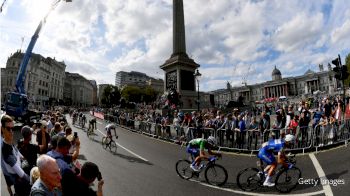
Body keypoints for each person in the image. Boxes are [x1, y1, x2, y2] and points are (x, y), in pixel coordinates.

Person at [1, 115, 31, 196]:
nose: (11, 131)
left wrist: (22, 158)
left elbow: (18, 153)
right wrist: (33, 181)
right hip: (20, 183)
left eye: (12, 129)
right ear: (2, 129)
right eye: (8, 129)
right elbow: (21, 174)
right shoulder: (6, 150)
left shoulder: (9, 142)